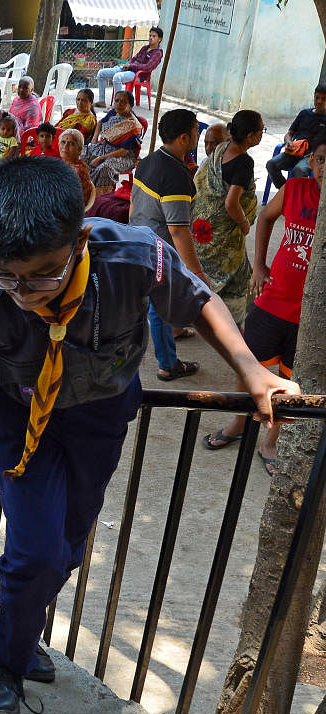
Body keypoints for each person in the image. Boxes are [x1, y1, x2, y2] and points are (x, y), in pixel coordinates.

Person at [0, 156, 297, 714]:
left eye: (42, 274)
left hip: (101, 416)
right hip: (22, 424)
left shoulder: (131, 255)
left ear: (81, 239)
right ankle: (7, 664)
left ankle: (20, 630)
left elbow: (199, 301)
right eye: (7, 274)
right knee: (33, 552)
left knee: (66, 546)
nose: (24, 293)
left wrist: (249, 370)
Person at [204, 131, 326, 476]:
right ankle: (239, 424)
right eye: (320, 159)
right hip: (274, 301)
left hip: (311, 315)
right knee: (248, 365)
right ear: (310, 161)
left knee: (293, 379)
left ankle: (271, 441)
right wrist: (259, 264)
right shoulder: (296, 189)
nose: (323, 168)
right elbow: (266, 218)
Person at [131, 108, 206, 382]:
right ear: (184, 138)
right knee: (159, 304)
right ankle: (167, 364)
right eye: (197, 131)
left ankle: (174, 331)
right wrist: (197, 273)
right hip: (159, 250)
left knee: (158, 300)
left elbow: (133, 203)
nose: (199, 135)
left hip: (139, 237)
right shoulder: (174, 175)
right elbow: (177, 229)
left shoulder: (149, 161)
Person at [191, 109, 263, 325]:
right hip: (224, 232)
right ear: (250, 136)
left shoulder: (221, 148)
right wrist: (243, 223)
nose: (262, 134)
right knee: (235, 277)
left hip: (206, 227)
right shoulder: (243, 162)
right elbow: (231, 202)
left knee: (230, 271)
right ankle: (231, 325)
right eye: (261, 131)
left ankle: (213, 316)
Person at [265, 83, 326, 189]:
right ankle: (284, 192)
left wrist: (315, 153)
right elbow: (289, 134)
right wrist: (288, 142)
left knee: (299, 170)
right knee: (271, 164)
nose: (319, 101)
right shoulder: (304, 113)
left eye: (324, 99)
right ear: (314, 97)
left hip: (311, 156)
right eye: (317, 97)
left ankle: (293, 197)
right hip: (293, 151)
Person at [83, 91, 143, 189]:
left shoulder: (132, 125)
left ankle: (99, 196)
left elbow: (123, 151)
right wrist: (95, 138)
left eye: (123, 102)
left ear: (130, 105)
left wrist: (101, 158)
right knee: (83, 155)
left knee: (105, 168)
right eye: (117, 101)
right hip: (105, 147)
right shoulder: (114, 112)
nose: (119, 104)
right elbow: (100, 122)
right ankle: (83, 188)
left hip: (124, 156)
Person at [96, 26, 163, 107]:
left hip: (139, 75)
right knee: (101, 73)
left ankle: (117, 106)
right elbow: (134, 58)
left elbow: (148, 67)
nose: (151, 38)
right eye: (150, 35)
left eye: (154, 36)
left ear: (159, 39)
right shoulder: (145, 48)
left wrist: (132, 65)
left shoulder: (157, 53)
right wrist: (127, 64)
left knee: (117, 77)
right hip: (128, 70)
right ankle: (101, 101)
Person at [58, 128, 94, 207]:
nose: (65, 146)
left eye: (71, 143)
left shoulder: (78, 170)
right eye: (63, 142)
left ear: (80, 150)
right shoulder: (64, 165)